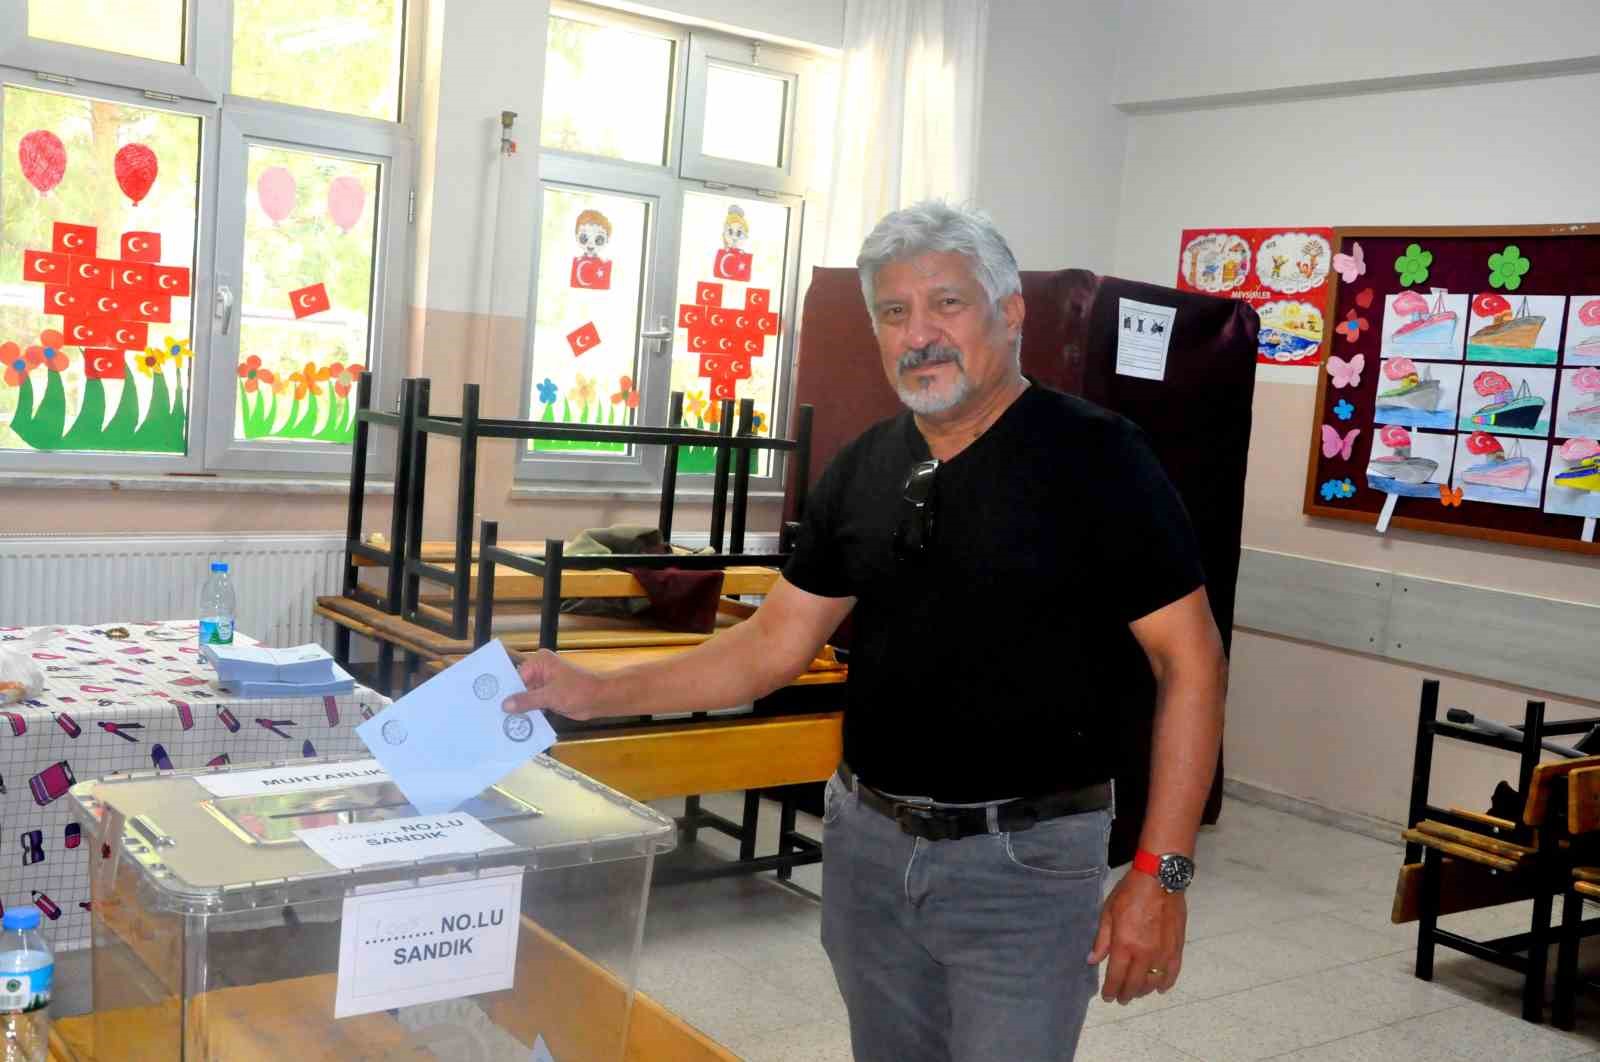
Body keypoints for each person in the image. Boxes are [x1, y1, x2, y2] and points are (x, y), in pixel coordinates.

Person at [504, 201, 1228, 1060]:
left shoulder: (1100, 461)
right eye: (894, 313)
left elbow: (1192, 664)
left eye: (946, 304)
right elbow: (770, 646)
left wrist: (1160, 875)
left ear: (1011, 312)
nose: (919, 334)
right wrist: (599, 692)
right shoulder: (866, 467)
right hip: (869, 853)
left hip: (1024, 868)